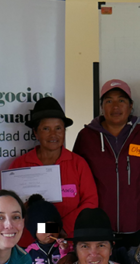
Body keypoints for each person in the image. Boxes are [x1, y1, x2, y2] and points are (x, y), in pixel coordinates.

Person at [73, 80, 140, 260]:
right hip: (100, 226)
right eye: (109, 101)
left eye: (121, 101)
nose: (115, 106)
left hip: (139, 224)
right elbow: (76, 179)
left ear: (131, 105)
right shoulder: (86, 137)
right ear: (101, 106)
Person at [8, 96, 97, 248]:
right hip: (29, 247)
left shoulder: (78, 163)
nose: (53, 134)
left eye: (58, 128)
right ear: (36, 133)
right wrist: (47, 230)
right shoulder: (19, 165)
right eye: (46, 129)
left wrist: (61, 228)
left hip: (69, 245)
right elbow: (8, 207)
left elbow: (91, 202)